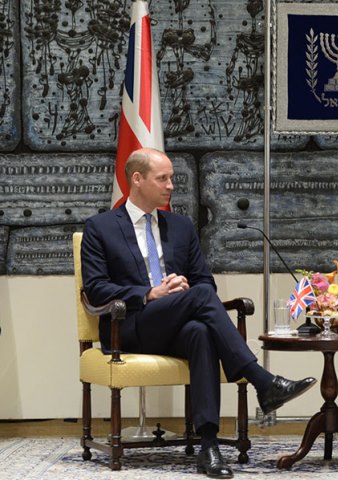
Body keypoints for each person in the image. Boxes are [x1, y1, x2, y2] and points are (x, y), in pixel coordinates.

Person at [81, 148, 316, 479]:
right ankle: (262, 380)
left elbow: (205, 282)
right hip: (130, 326)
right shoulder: (100, 227)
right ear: (137, 179)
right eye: (162, 178)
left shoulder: (180, 227)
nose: (171, 185)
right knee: (201, 298)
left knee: (201, 331)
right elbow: (95, 289)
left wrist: (182, 286)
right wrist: (150, 293)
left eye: (172, 178)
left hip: (174, 325)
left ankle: (209, 446)